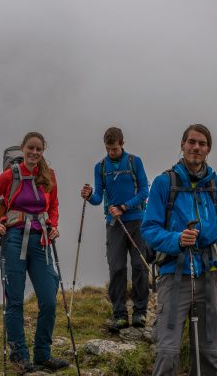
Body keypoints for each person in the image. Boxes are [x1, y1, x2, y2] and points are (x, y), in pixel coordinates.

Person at [141, 124, 217, 376]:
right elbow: (149, 229)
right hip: (173, 272)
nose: (196, 147)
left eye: (201, 143)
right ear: (182, 145)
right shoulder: (163, 183)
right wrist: (177, 239)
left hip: (208, 273)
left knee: (209, 353)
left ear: (208, 149)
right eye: (191, 142)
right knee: (167, 352)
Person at [0, 132, 69, 373]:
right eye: (31, 148)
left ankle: (42, 355)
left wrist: (54, 224)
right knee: (15, 301)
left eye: (39, 149)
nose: (34, 153)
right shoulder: (10, 175)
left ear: (43, 151)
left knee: (49, 300)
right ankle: (20, 356)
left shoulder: (49, 176)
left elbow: (54, 205)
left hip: (40, 241)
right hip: (14, 239)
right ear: (23, 148)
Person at [80, 127, 150, 332]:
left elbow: (145, 190)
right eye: (108, 149)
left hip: (136, 220)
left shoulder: (134, 161)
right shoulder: (100, 167)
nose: (112, 152)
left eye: (115, 148)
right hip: (114, 224)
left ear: (122, 144)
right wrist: (89, 194)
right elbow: (97, 199)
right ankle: (119, 314)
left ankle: (140, 311)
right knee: (117, 267)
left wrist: (124, 207)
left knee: (139, 265)